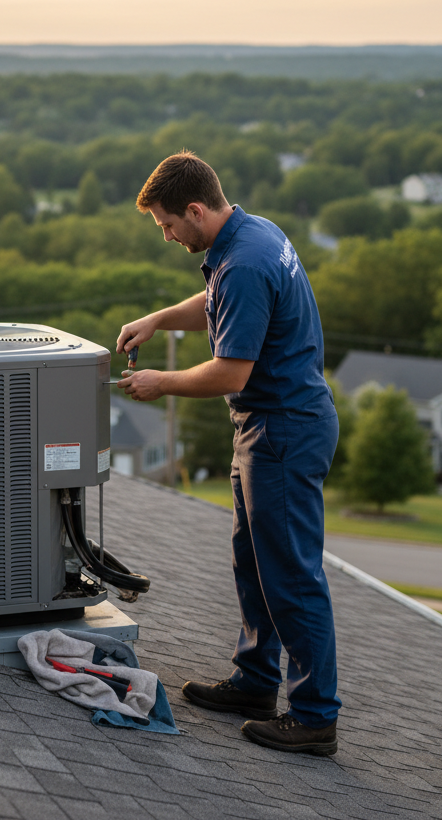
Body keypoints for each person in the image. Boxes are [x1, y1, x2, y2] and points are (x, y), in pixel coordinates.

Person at [116, 152, 341, 756]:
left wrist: (160, 381)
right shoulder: (252, 232)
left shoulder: (244, 260)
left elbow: (231, 371)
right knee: (254, 562)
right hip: (267, 429)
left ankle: (316, 716)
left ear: (195, 210)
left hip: (283, 431)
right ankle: (256, 681)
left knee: (291, 575)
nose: (167, 237)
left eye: (168, 225)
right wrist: (160, 319)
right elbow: (218, 304)